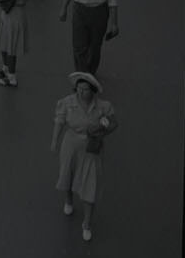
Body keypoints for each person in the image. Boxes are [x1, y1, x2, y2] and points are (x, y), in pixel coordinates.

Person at [52, 71, 117, 243]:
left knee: (91, 184)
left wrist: (105, 128)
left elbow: (113, 123)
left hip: (91, 148)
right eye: (79, 89)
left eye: (85, 89)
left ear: (93, 91)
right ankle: (68, 200)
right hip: (71, 145)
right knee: (67, 174)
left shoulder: (103, 106)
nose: (81, 92)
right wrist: (54, 141)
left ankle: (87, 223)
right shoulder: (67, 102)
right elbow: (59, 121)